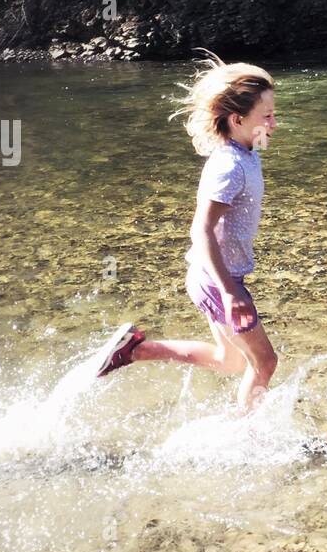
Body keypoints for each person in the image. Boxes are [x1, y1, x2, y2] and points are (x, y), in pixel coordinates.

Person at [94, 50, 279, 413]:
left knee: (231, 361)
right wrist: (230, 292)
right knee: (265, 362)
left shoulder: (245, 151)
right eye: (267, 117)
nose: (274, 124)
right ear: (237, 119)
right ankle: (247, 437)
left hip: (210, 276)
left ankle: (135, 349)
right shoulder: (229, 165)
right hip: (217, 280)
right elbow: (202, 229)